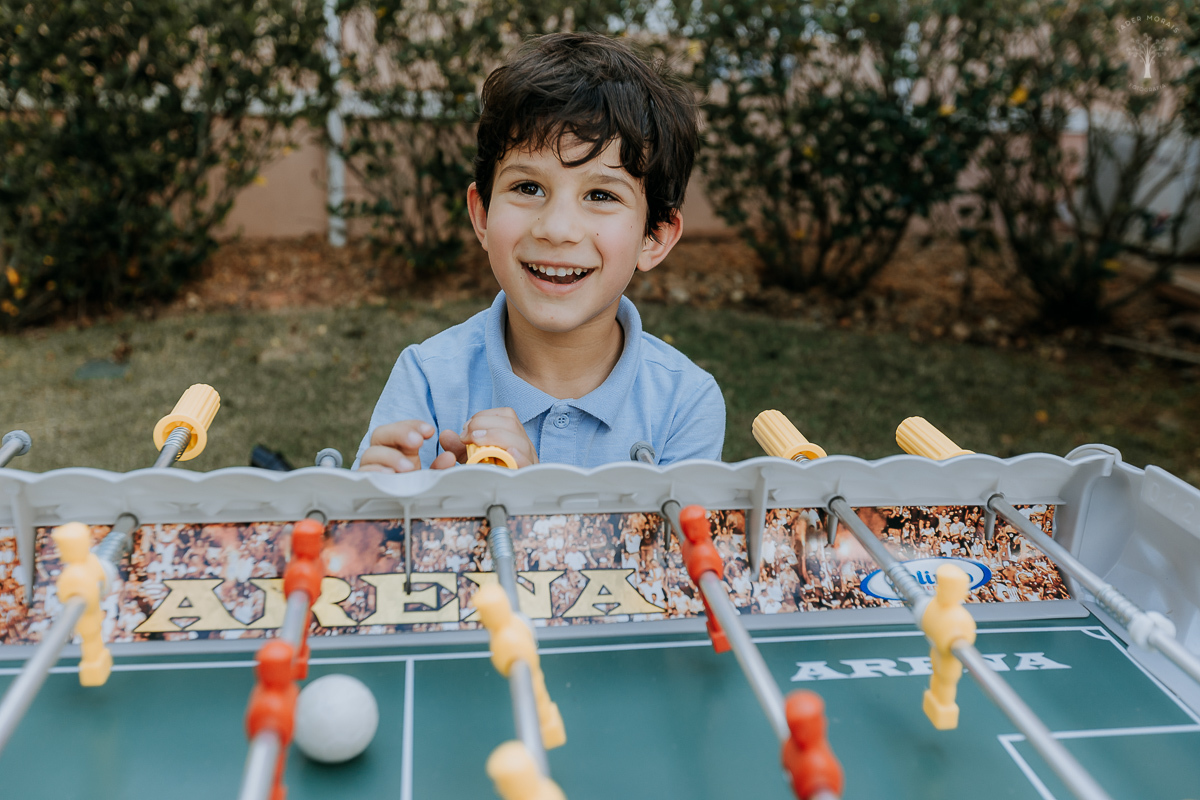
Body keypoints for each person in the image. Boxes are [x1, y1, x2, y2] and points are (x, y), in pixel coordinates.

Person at [355, 32, 725, 472]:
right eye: (528, 187)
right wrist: (382, 513)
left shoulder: (685, 403)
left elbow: (676, 544)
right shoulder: (429, 380)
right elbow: (370, 536)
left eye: (602, 195)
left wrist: (533, 495)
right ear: (482, 216)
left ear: (656, 235)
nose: (557, 229)